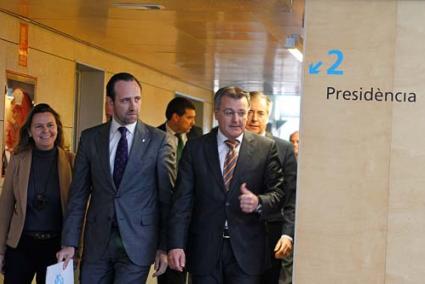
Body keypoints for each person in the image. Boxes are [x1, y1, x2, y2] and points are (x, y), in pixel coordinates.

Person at [56, 72, 176, 283]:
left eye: (137, 99)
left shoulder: (159, 142)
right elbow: (78, 194)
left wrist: (163, 246)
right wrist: (69, 243)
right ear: (110, 103)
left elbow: (166, 199)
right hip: (97, 242)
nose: (133, 106)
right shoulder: (91, 138)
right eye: (125, 100)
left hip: (137, 243)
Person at [168, 86, 285, 284]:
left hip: (247, 252)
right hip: (204, 250)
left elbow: (279, 193)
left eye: (241, 113)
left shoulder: (265, 149)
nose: (236, 119)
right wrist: (176, 244)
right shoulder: (196, 148)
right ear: (216, 113)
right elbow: (182, 201)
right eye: (229, 112)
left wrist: (258, 201)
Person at [0, 103, 74, 284]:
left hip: (56, 248)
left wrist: (76, 248)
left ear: (57, 128)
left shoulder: (71, 161)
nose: (45, 130)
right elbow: (6, 206)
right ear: (30, 132)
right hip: (20, 245)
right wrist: (0, 250)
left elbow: (79, 208)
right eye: (39, 126)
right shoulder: (18, 160)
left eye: (50, 125)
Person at [246, 91, 297, 284]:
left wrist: (287, 234)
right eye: (250, 111)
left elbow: (292, 196)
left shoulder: (284, 149)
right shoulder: (228, 145)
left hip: (271, 234)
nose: (254, 118)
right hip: (234, 233)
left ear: (268, 116)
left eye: (260, 113)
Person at [158, 97, 202, 165]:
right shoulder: (155, 135)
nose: (193, 123)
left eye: (194, 118)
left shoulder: (197, 134)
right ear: (176, 117)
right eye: (189, 118)